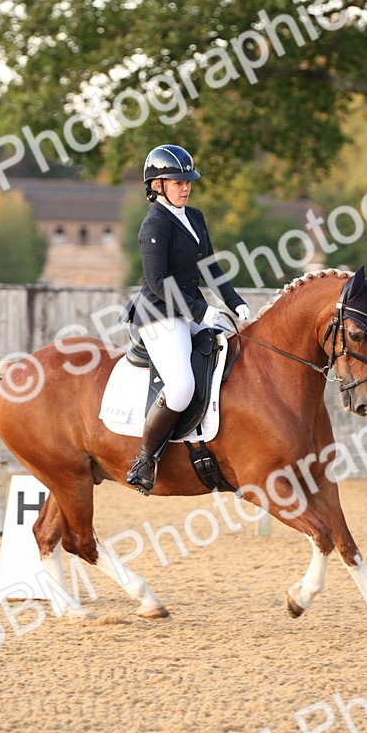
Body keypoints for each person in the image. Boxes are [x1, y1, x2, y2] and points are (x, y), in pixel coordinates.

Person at [120, 144, 250, 495]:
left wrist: (236, 305)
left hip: (191, 310)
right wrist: (201, 311)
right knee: (181, 387)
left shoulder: (194, 217)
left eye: (188, 181)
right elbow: (158, 281)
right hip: (160, 315)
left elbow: (212, 268)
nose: (185, 187)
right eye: (177, 182)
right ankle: (144, 461)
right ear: (157, 185)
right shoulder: (154, 224)